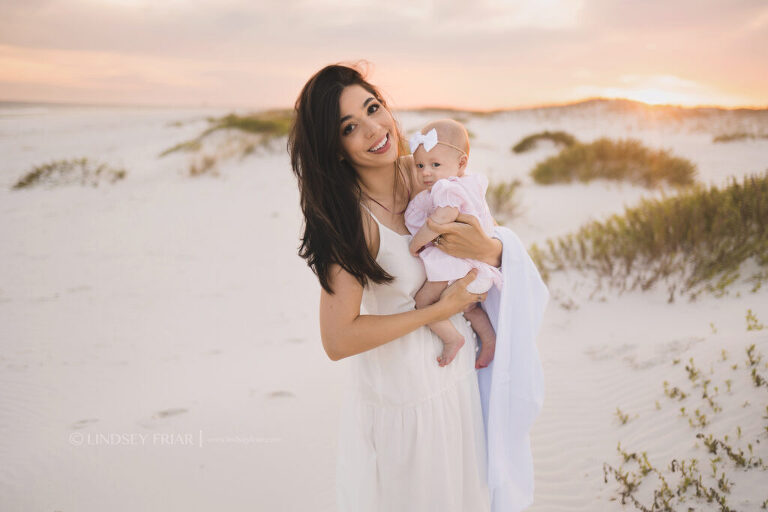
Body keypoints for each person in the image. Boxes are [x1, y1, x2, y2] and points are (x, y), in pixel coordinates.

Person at [288, 63, 501, 511]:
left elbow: (489, 248)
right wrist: (438, 311)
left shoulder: (428, 176)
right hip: (404, 408)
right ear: (336, 148)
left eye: (373, 108)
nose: (374, 129)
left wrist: (489, 247)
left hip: (454, 389)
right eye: (350, 127)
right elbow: (337, 338)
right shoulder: (349, 220)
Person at [405, 119, 501, 369]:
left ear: (461, 163)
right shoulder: (470, 184)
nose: (426, 172)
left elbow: (441, 220)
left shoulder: (446, 189)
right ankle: (489, 341)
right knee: (470, 308)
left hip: (457, 263)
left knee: (423, 303)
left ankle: (452, 338)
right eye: (420, 165)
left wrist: (416, 242)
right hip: (477, 268)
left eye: (435, 164)